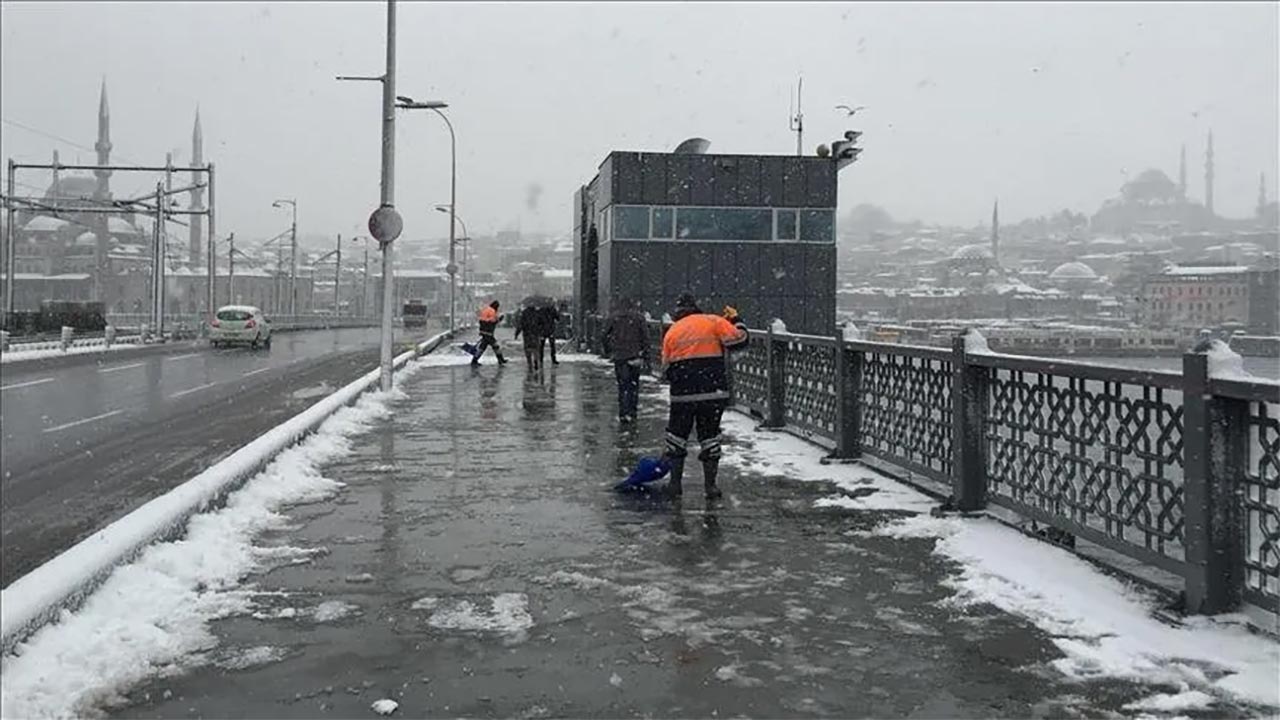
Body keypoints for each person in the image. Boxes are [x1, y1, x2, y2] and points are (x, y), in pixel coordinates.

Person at [659, 293, 748, 499]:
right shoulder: (713, 321)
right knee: (710, 436)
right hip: (712, 391)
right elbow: (739, 340)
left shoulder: (672, 331)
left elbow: (665, 369)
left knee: (676, 437)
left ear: (677, 313)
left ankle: (675, 485)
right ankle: (710, 487)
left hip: (683, 395)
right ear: (696, 308)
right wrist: (736, 320)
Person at [602, 296, 650, 423]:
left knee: (623, 386)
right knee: (634, 385)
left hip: (620, 356)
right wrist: (645, 355)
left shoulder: (613, 317)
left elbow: (604, 335)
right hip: (635, 355)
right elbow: (645, 338)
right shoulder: (639, 318)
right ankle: (633, 412)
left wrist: (609, 351)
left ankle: (623, 413)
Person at [473, 300, 508, 366]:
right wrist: (500, 319)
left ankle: (475, 360)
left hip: (484, 331)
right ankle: (500, 359)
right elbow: (492, 321)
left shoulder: (486, 309)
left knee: (483, 347)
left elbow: (482, 320)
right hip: (488, 333)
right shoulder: (492, 311)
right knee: (495, 346)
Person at [513, 304, 545, 370]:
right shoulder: (537, 314)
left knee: (527, 349)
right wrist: (541, 331)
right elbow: (542, 323)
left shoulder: (524, 314)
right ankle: (535, 360)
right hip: (535, 334)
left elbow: (520, 325)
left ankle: (529, 362)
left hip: (527, 334)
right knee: (536, 348)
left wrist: (516, 334)